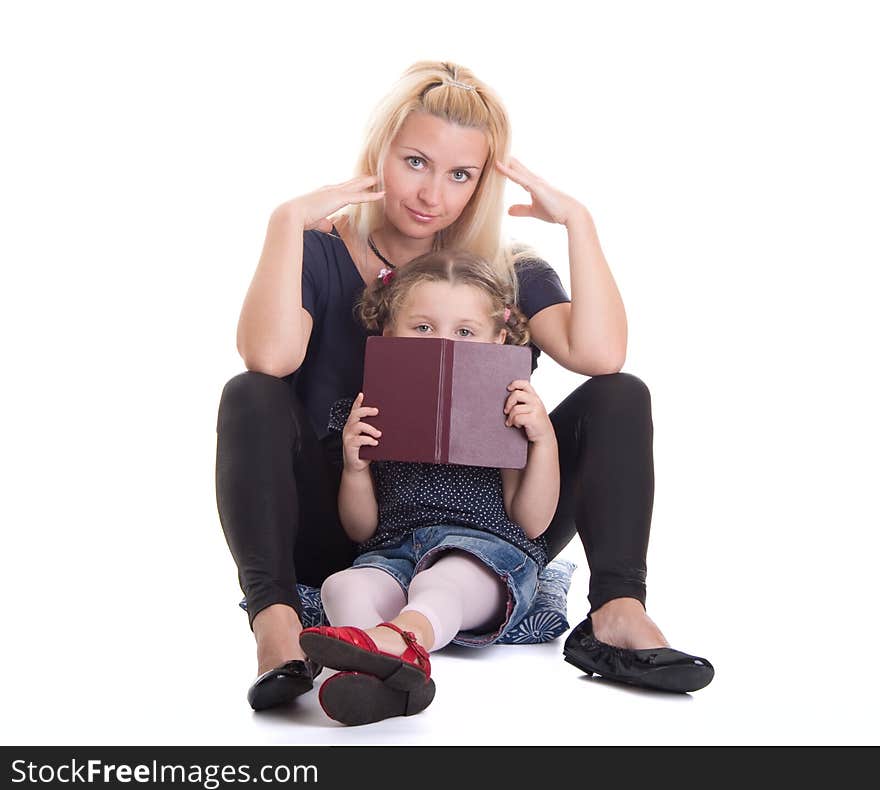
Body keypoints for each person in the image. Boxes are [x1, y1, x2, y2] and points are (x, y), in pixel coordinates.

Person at [215, 60, 713, 712]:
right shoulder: (317, 251)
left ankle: (618, 612)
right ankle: (278, 628)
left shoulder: (501, 273)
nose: (432, 194)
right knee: (249, 391)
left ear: (480, 181)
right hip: (350, 513)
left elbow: (601, 353)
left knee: (622, 393)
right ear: (379, 155)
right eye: (415, 162)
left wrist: (580, 224)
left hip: (485, 519)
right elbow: (268, 355)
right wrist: (286, 223)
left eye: (459, 174)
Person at [298, 249, 559, 725]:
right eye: (422, 328)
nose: (443, 342)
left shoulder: (507, 409)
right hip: (392, 553)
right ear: (386, 333)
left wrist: (542, 440)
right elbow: (360, 530)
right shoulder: (362, 412)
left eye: (464, 332)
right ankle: (379, 680)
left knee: (441, 580)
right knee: (342, 585)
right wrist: (356, 469)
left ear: (497, 340)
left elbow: (533, 520)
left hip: (483, 555)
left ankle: (403, 640)